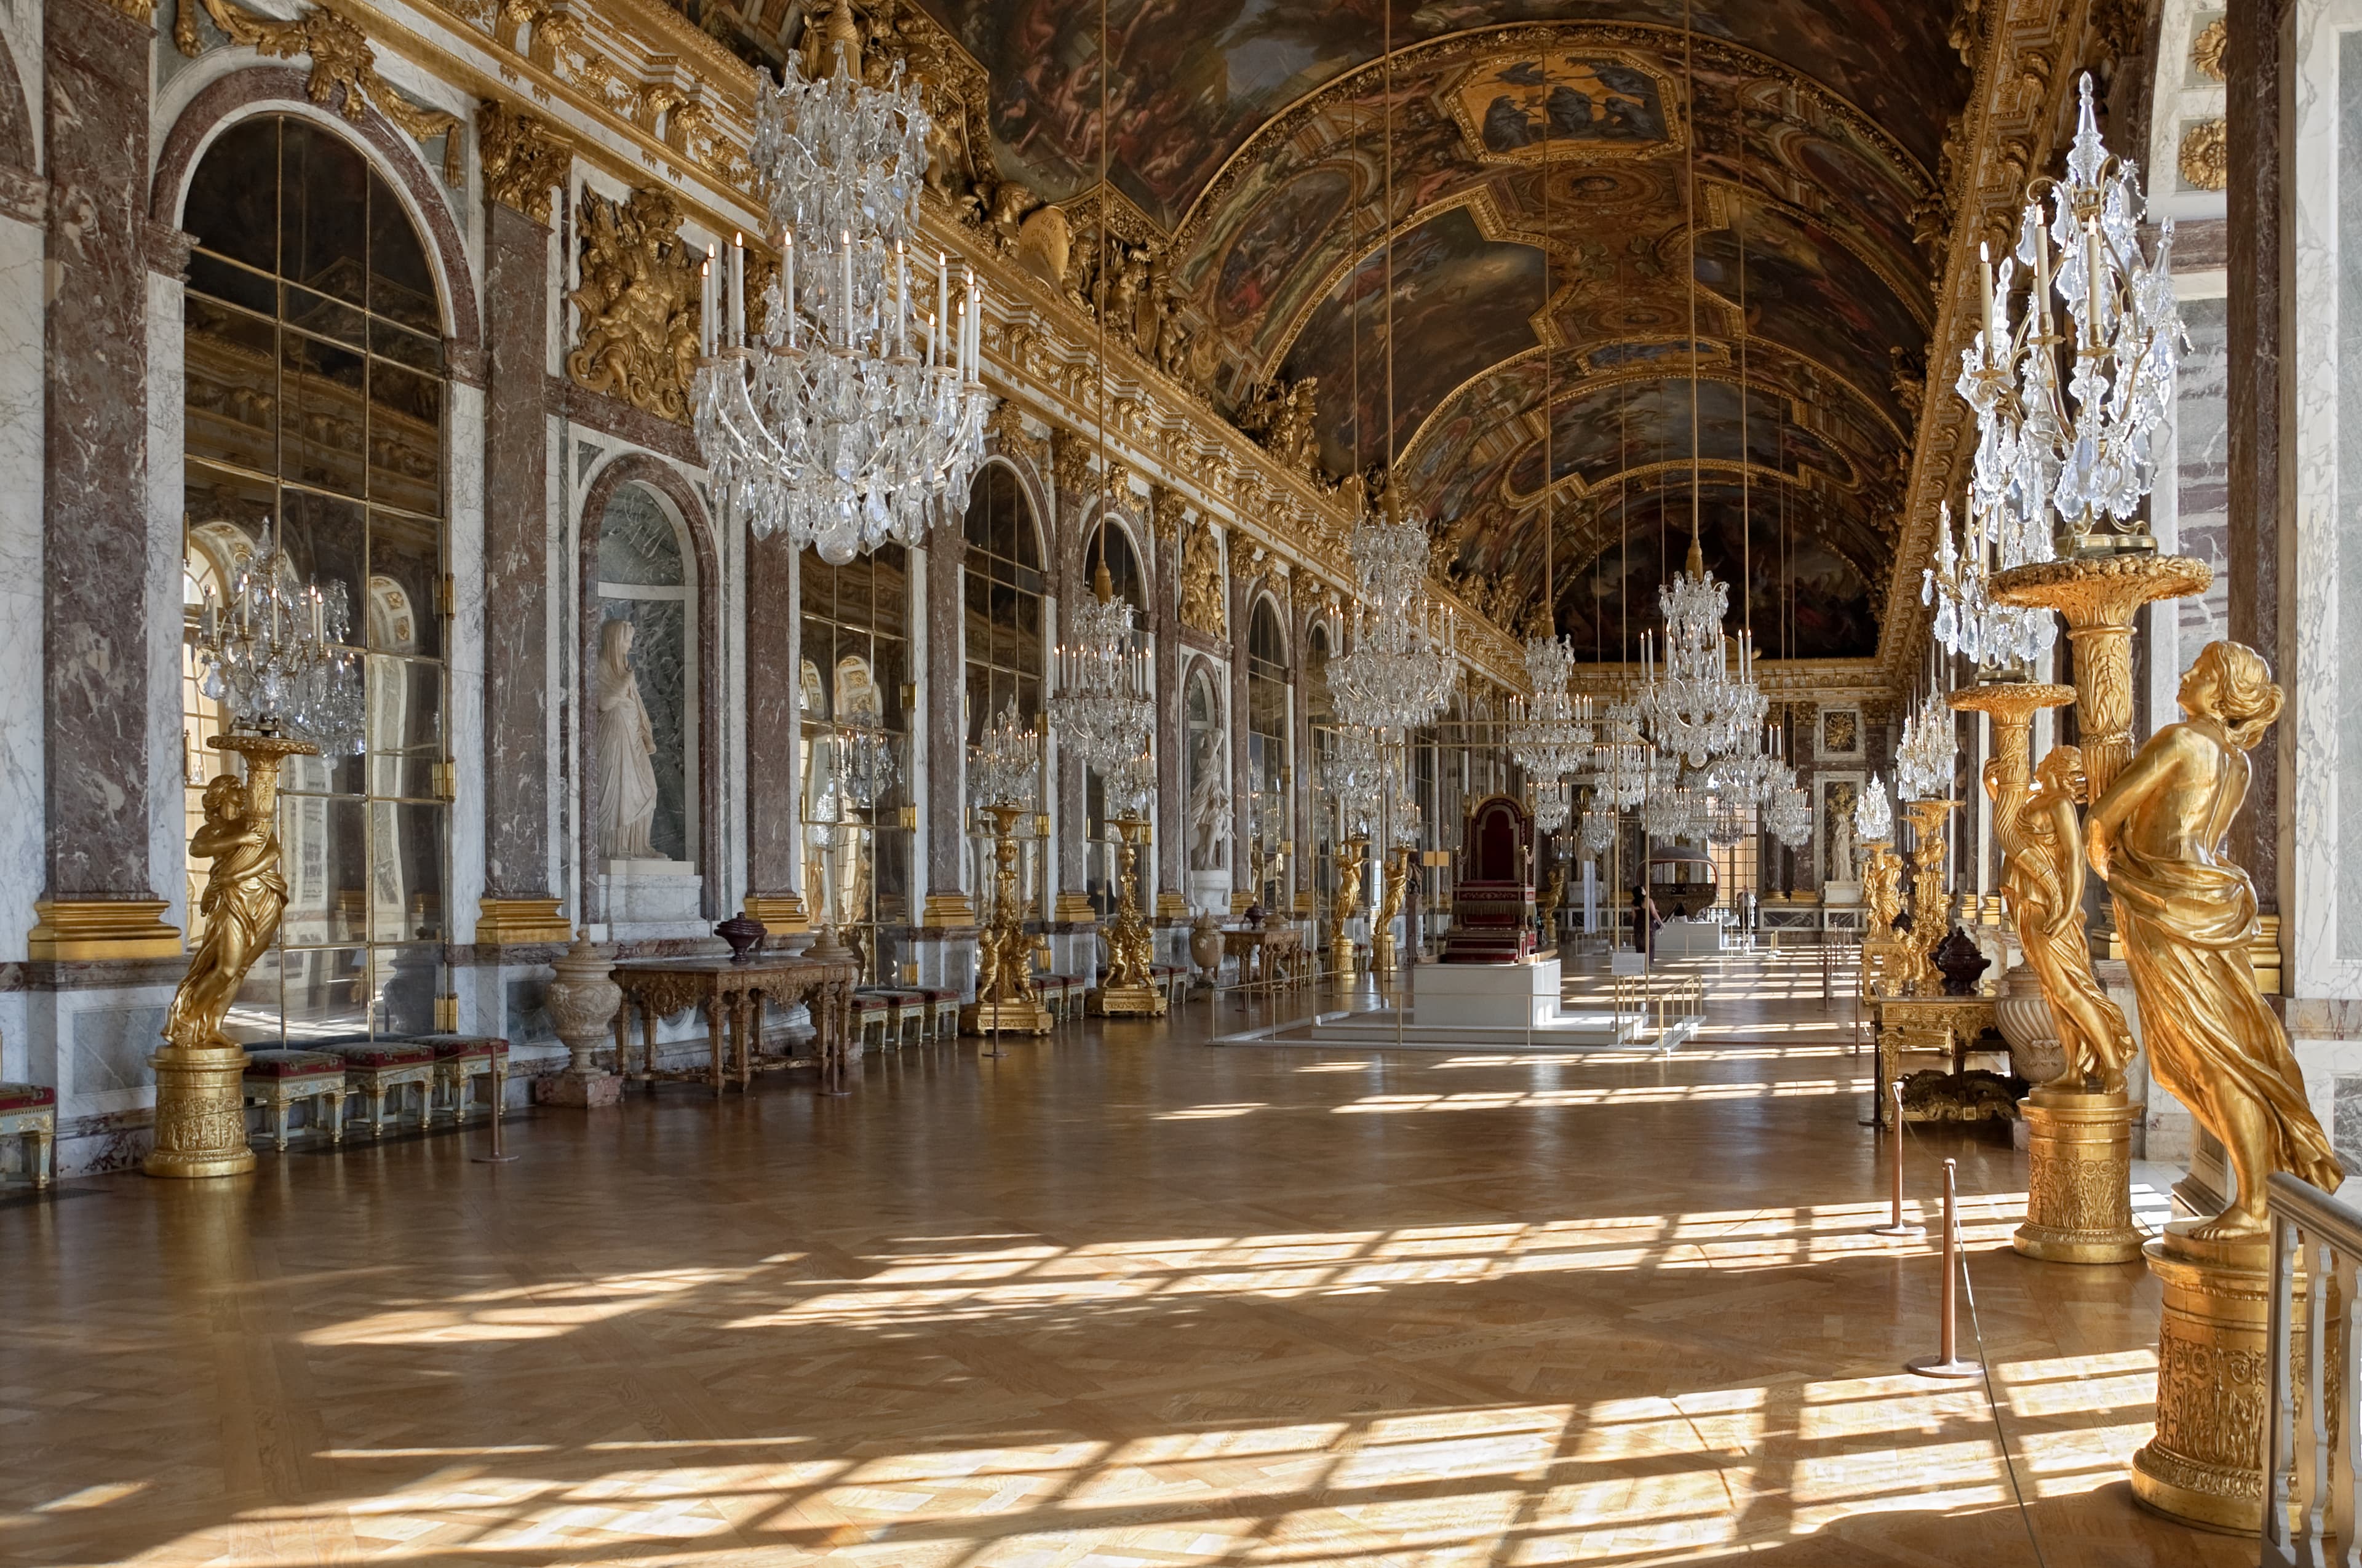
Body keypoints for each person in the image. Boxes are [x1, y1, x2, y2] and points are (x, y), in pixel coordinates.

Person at [2085, 640, 2342, 1238]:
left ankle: (2254, 1204)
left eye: (2200, 671)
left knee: (2207, 1056)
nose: (2185, 673)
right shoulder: (2237, 762)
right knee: (2217, 1054)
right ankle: (2256, 1195)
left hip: (2166, 906)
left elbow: (2102, 817)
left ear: (2223, 691)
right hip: (2211, 901)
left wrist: (2115, 875)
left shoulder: (2180, 740)